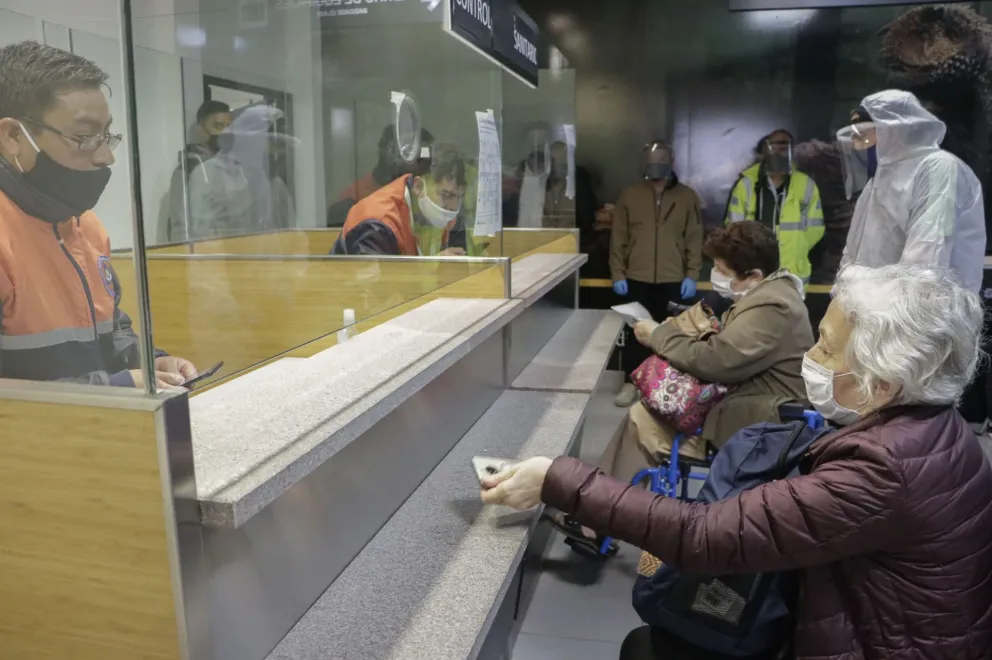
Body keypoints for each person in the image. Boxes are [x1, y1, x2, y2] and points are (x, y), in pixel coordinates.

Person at [482, 263, 992, 660]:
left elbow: (702, 536)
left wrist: (556, 477)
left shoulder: (883, 468)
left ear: (883, 382)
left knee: (648, 647)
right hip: (883, 632)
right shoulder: (939, 432)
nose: (810, 357)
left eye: (827, 348)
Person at [577, 221, 810, 546]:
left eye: (721, 269)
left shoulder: (774, 307)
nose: (715, 275)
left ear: (754, 276)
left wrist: (659, 335)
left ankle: (597, 520)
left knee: (645, 420)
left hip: (761, 422)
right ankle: (596, 518)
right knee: (642, 417)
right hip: (752, 405)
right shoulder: (769, 297)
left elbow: (717, 361)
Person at [0, 41, 197, 388]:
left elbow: (111, 327)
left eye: (106, 135)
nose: (106, 156)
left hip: (100, 433)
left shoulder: (85, 225)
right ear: (13, 136)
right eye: (84, 136)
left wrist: (150, 361)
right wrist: (116, 388)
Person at [837, 89, 986, 292]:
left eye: (863, 136)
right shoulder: (876, 184)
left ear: (895, 129)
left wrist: (860, 284)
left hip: (927, 317)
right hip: (872, 311)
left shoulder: (938, 168)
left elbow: (924, 266)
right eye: (854, 138)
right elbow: (852, 253)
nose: (857, 147)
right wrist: (843, 294)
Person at [611, 140, 704, 407]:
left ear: (672, 161)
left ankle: (666, 386)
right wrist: (618, 273)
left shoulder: (686, 197)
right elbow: (618, 238)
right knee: (636, 333)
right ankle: (631, 384)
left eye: (661, 161)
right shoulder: (630, 196)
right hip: (636, 277)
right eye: (651, 162)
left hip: (674, 278)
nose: (656, 167)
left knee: (672, 334)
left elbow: (694, 238)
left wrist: (692, 274)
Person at [725, 129, 825, 285]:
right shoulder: (746, 185)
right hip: (753, 269)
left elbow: (815, 229)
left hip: (792, 271)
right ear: (765, 150)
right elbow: (733, 227)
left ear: (792, 151)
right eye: (774, 147)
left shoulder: (806, 185)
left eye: (784, 148)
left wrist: (796, 247)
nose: (779, 153)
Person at [331, 143, 468, 256]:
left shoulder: (440, 213)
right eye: (446, 195)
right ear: (418, 187)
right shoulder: (377, 223)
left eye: (460, 196)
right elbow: (376, 287)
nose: (453, 207)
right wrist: (431, 267)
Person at [188, 104, 298, 238]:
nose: (265, 146)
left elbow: (276, 228)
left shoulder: (262, 177)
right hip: (228, 255)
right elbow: (201, 232)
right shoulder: (206, 173)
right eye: (262, 138)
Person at [326, 125, 436, 227]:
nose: (426, 167)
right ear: (391, 153)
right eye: (419, 158)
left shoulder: (424, 198)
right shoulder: (350, 203)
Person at [159, 100, 233, 242]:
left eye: (229, 127)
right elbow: (180, 228)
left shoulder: (234, 169)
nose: (225, 132)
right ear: (200, 131)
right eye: (218, 126)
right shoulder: (188, 170)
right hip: (205, 255)